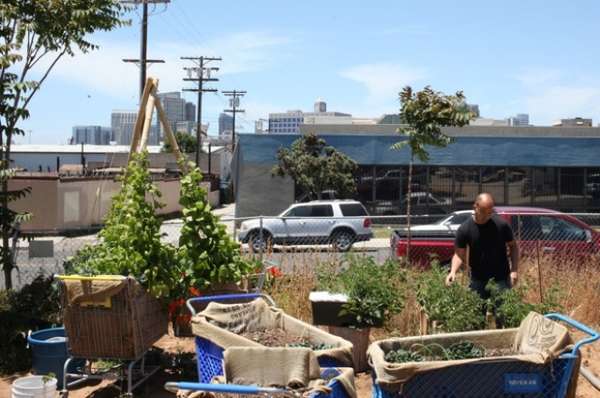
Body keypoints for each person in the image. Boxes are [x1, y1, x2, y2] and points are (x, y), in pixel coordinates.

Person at [445, 193, 519, 299]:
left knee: (502, 314)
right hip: (477, 280)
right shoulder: (465, 229)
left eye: (490, 213)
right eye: (483, 212)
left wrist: (514, 270)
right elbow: (458, 254)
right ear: (475, 206)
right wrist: (453, 272)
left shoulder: (501, 225)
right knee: (476, 314)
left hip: (501, 279)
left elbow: (513, 247)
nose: (486, 216)